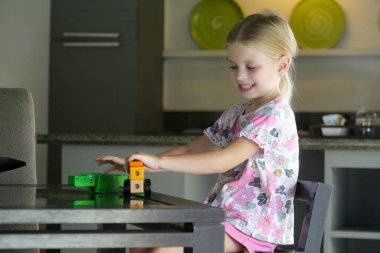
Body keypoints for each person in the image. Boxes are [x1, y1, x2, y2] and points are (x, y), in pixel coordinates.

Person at [96, 10, 299, 253]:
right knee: (142, 244)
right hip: (226, 219)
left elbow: (223, 160)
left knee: (162, 250)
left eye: (251, 66)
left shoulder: (273, 115)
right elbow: (193, 148)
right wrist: (141, 165)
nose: (240, 76)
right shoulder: (237, 113)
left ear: (282, 64)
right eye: (233, 66)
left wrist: (160, 162)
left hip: (254, 228)